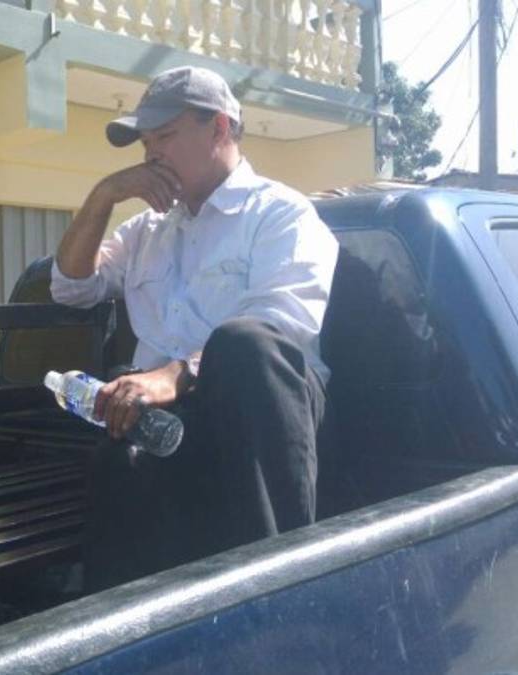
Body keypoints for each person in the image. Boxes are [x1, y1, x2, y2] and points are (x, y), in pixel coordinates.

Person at [50, 66, 339, 590]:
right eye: (145, 144)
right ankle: (128, 623)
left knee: (245, 344)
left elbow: (282, 323)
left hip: (258, 410)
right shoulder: (148, 228)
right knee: (117, 458)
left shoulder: (281, 214)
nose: (151, 155)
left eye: (164, 136)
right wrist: (103, 195)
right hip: (170, 414)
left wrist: (174, 374)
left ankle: (279, 589)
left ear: (219, 128)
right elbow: (71, 287)